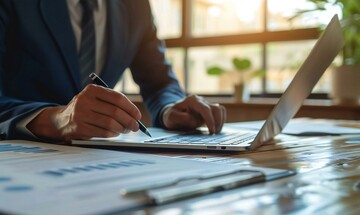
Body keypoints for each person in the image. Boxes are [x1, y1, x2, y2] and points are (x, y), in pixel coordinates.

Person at [0, 0, 226, 142]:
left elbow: (159, 81)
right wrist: (57, 119)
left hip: (98, 158)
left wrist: (169, 108)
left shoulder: (135, 6)